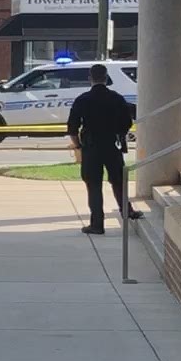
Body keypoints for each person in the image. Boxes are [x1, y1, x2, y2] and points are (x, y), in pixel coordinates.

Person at [67, 62, 139, 234]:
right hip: (112, 145)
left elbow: (72, 126)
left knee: (93, 184)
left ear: (89, 79)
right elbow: (127, 122)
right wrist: (119, 134)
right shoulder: (116, 98)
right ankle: (127, 211)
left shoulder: (83, 99)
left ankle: (97, 224)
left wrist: (78, 145)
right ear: (106, 78)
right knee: (118, 181)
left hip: (91, 147)